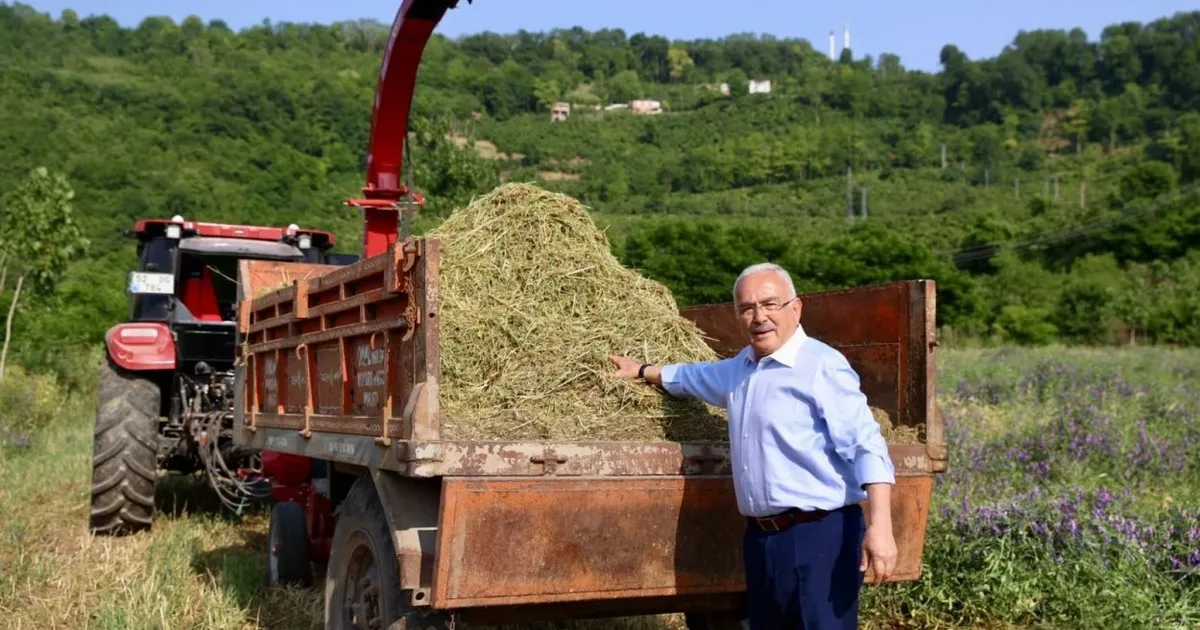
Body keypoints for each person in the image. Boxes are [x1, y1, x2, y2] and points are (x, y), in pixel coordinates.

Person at [609, 262, 897, 630]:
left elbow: (867, 446)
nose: (759, 317)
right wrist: (642, 370)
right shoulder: (739, 370)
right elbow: (690, 376)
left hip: (820, 535)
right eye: (747, 308)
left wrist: (881, 527)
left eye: (770, 304)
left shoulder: (821, 366)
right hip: (762, 540)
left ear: (796, 308)